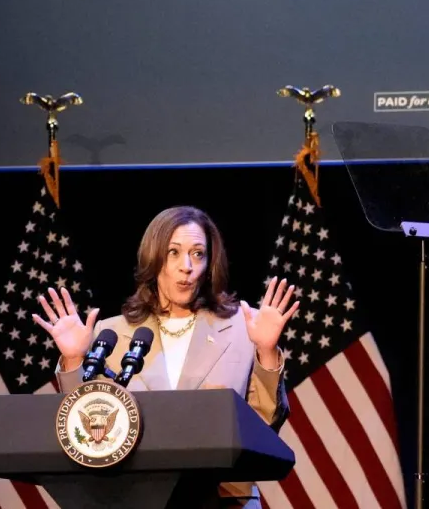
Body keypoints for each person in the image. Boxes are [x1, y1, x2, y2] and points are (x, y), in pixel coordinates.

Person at [32, 205, 298, 507]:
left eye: (198, 254)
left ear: (210, 263)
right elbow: (91, 429)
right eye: (173, 252)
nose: (187, 266)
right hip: (137, 495)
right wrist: (73, 361)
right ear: (153, 258)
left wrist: (265, 351)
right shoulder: (110, 334)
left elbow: (266, 422)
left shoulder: (241, 328)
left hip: (224, 498)